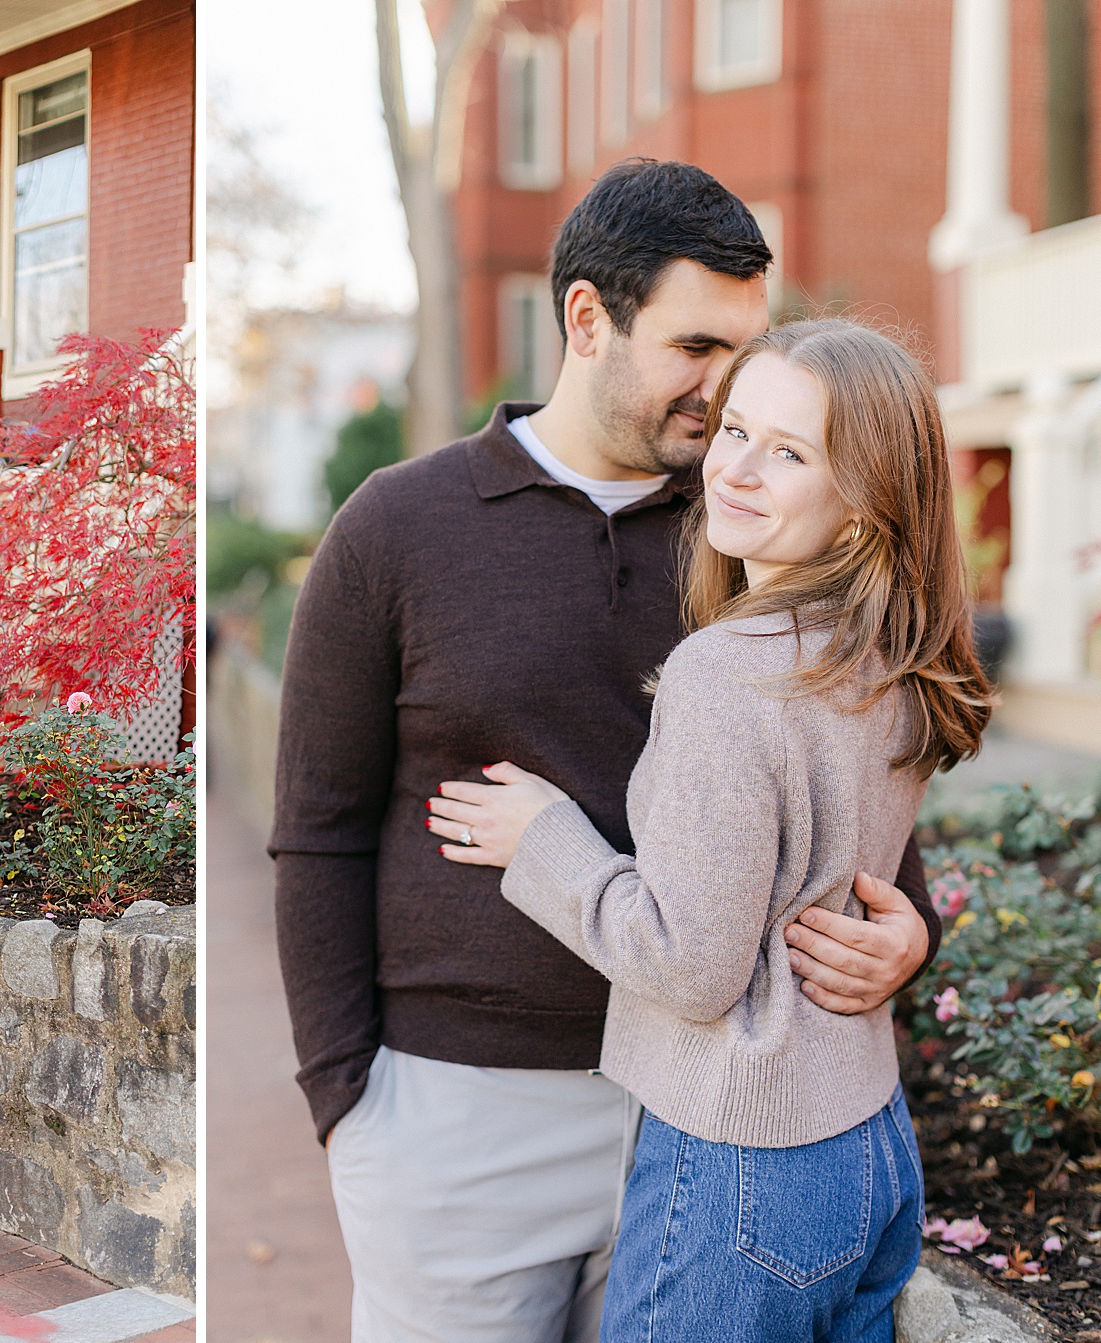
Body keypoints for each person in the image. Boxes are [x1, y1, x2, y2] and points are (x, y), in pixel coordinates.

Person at [270, 160, 943, 1343]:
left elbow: (847, 773)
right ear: (588, 317)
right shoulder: (398, 524)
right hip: (464, 1116)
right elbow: (318, 824)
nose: (725, 394)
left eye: (745, 350)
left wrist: (910, 929)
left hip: (718, 1114)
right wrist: (347, 1095)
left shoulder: (763, 521)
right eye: (696, 348)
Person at [426, 318, 991, 1339]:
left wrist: (545, 839)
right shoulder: (893, 658)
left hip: (742, 1157)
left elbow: (693, 965)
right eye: (736, 430)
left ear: (864, 505)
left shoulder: (728, 675)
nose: (736, 468)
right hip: (870, 1143)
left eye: (790, 452)